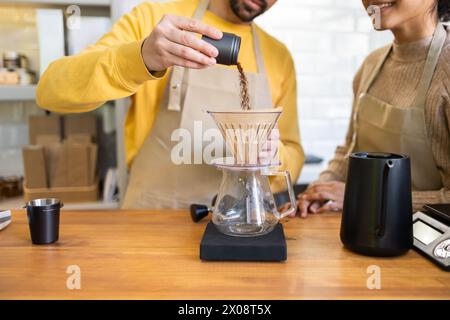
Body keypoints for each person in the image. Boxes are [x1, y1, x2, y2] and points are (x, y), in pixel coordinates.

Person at [36, 0, 304, 209]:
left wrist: (273, 154)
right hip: (152, 223)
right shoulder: (155, 21)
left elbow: (293, 155)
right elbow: (50, 91)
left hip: (237, 226)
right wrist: (142, 56)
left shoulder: (278, 57)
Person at [297, 0, 450, 217]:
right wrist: (319, 189)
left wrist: (365, 196)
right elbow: (350, 151)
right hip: (363, 233)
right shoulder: (372, 64)